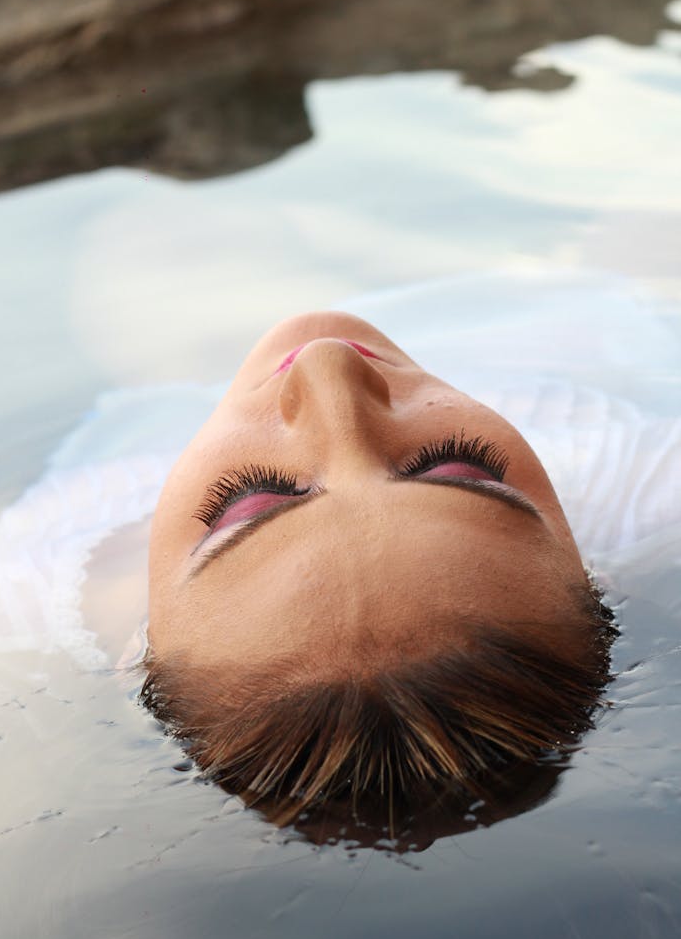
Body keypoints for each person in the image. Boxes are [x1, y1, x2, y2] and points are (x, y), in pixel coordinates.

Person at [141, 309, 617, 833]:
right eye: (454, 465)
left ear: (133, 653)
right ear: (595, 572)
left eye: (249, 504)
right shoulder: (615, 446)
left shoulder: (43, 567)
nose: (330, 363)